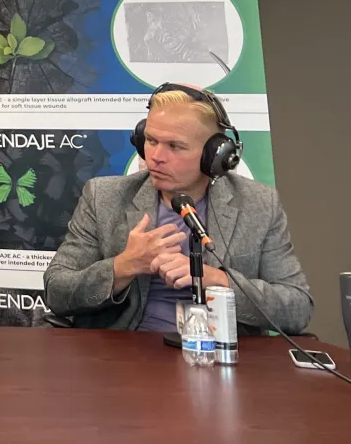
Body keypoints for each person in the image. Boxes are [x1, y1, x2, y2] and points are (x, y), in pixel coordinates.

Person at [44, 83, 311, 333]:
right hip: (127, 359)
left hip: (220, 361)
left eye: (175, 146)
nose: (156, 157)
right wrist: (123, 267)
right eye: (150, 141)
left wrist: (219, 281)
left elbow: (297, 307)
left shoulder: (258, 204)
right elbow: (57, 291)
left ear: (214, 155)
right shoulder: (104, 197)